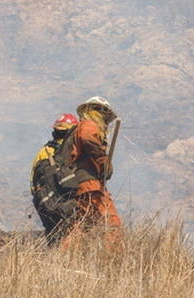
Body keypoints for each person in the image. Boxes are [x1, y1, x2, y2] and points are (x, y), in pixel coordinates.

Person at [62, 95, 123, 251]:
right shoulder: (89, 125)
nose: (104, 119)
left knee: (82, 226)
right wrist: (103, 161)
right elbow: (87, 138)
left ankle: (65, 256)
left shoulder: (81, 127)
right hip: (90, 185)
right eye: (103, 114)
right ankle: (113, 258)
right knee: (112, 224)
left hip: (81, 185)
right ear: (95, 111)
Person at [29, 113, 79, 245]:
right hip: (67, 204)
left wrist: (42, 198)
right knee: (70, 236)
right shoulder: (73, 152)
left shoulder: (43, 152)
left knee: (53, 237)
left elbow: (33, 182)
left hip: (46, 203)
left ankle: (53, 260)